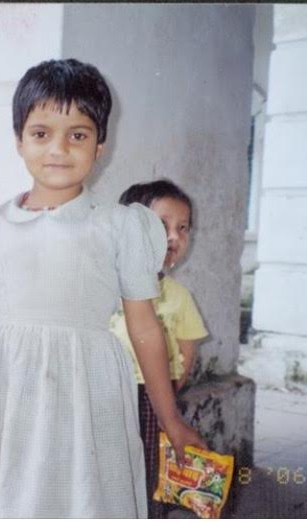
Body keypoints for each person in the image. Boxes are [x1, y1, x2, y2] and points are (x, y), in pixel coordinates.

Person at [0, 58, 204, 518]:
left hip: (85, 391)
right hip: (7, 391)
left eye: (77, 134)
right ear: (19, 141)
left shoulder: (120, 225)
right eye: (41, 133)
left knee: (76, 498)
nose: (58, 149)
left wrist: (170, 417)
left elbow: (144, 327)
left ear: (100, 146)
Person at [110, 179, 209, 518]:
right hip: (105, 391)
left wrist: (169, 388)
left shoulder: (179, 297)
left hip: (152, 397)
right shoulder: (105, 286)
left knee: (149, 468)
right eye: (162, 225)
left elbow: (186, 352)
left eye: (183, 228)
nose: (174, 236)